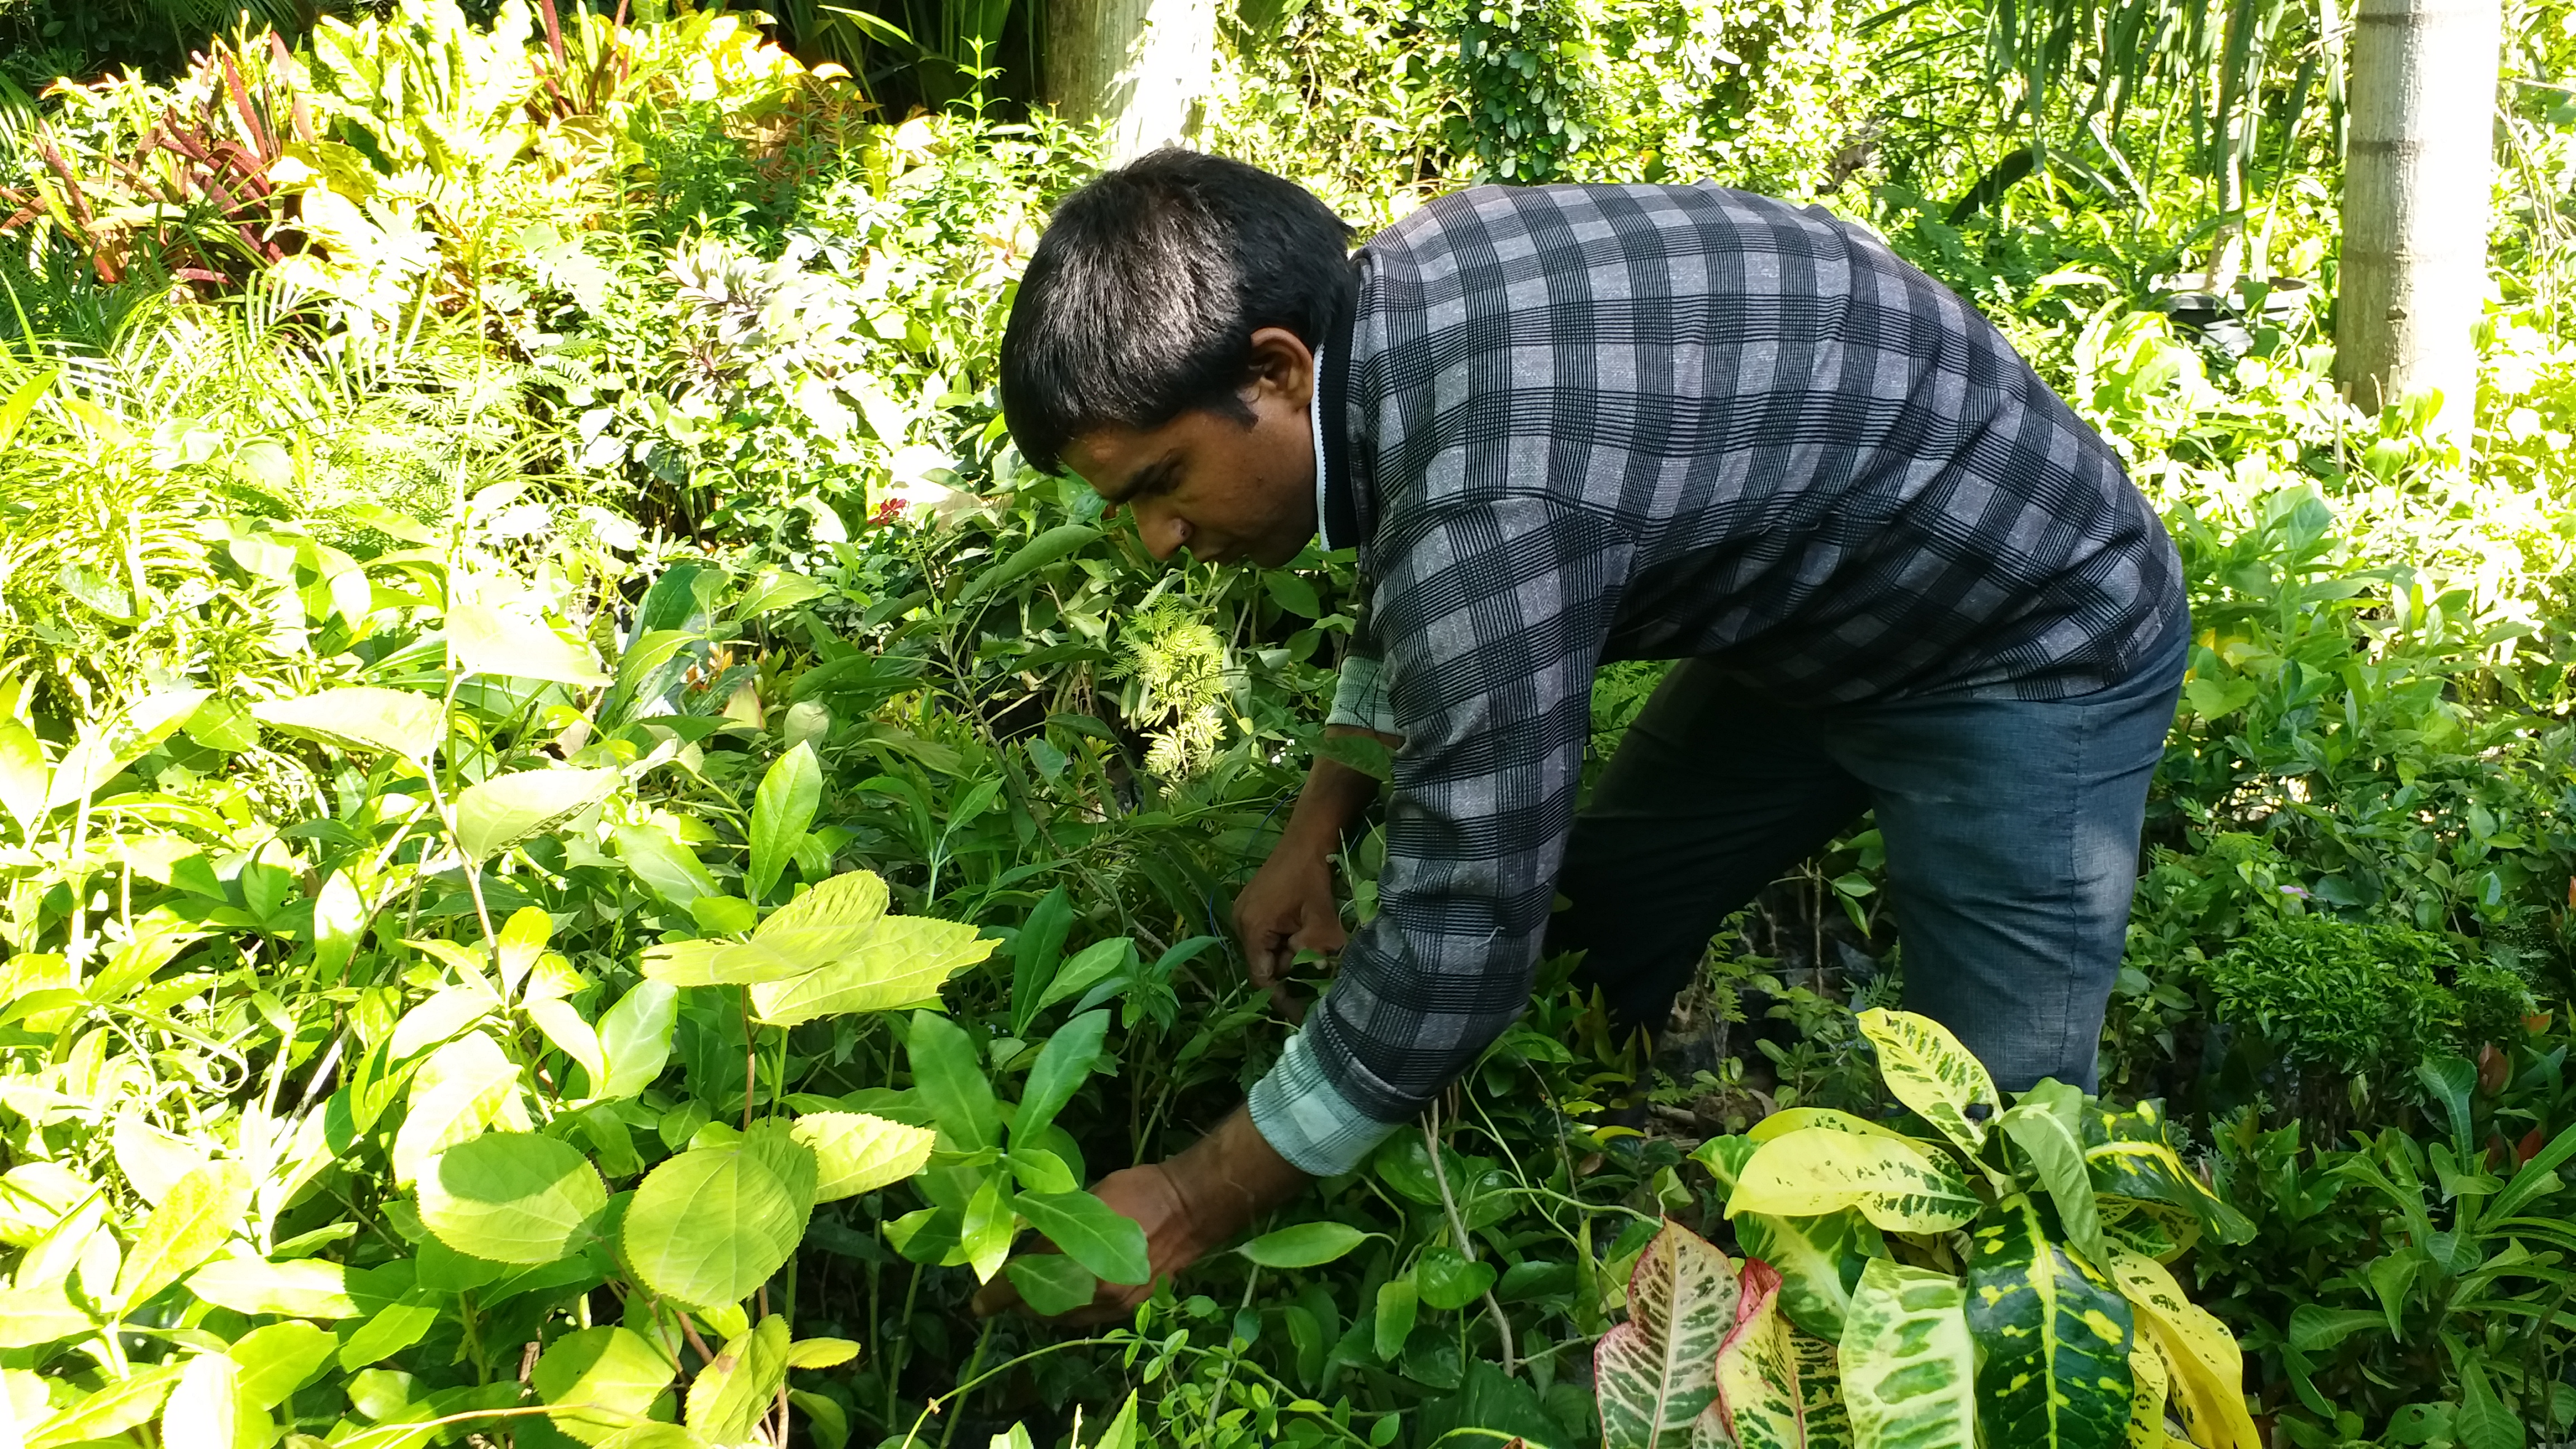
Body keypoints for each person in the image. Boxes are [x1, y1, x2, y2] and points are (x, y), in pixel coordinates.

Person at [978, 148, 2187, 1320]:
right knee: (1594, 921)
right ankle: (1588, 1181)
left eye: (1159, 481)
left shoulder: (1493, 500)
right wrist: (1316, 829)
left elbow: (1459, 937)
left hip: (2029, 635)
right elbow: (1421, 574)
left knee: (1989, 1154)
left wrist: (1190, 1200)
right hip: (1818, 608)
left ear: (1280, 370)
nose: (1156, 540)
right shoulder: (1398, 292)